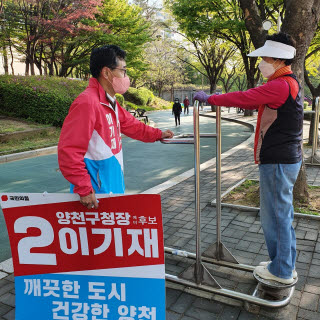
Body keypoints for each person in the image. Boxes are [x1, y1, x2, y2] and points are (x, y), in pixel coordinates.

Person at [194, 32, 303, 285]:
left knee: (275, 216)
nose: (261, 62)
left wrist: (211, 98)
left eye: (265, 57)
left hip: (278, 161)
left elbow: (245, 97)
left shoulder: (279, 85)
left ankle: (282, 271)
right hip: (286, 158)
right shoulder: (290, 81)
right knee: (282, 215)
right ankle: (283, 263)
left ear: (277, 59)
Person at [58, 45, 174, 209]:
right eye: (123, 71)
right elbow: (69, 149)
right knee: (96, 235)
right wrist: (83, 189)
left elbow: (131, 124)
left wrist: (157, 134)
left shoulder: (109, 101)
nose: (126, 77)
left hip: (111, 188)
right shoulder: (87, 103)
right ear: (106, 73)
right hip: (95, 194)